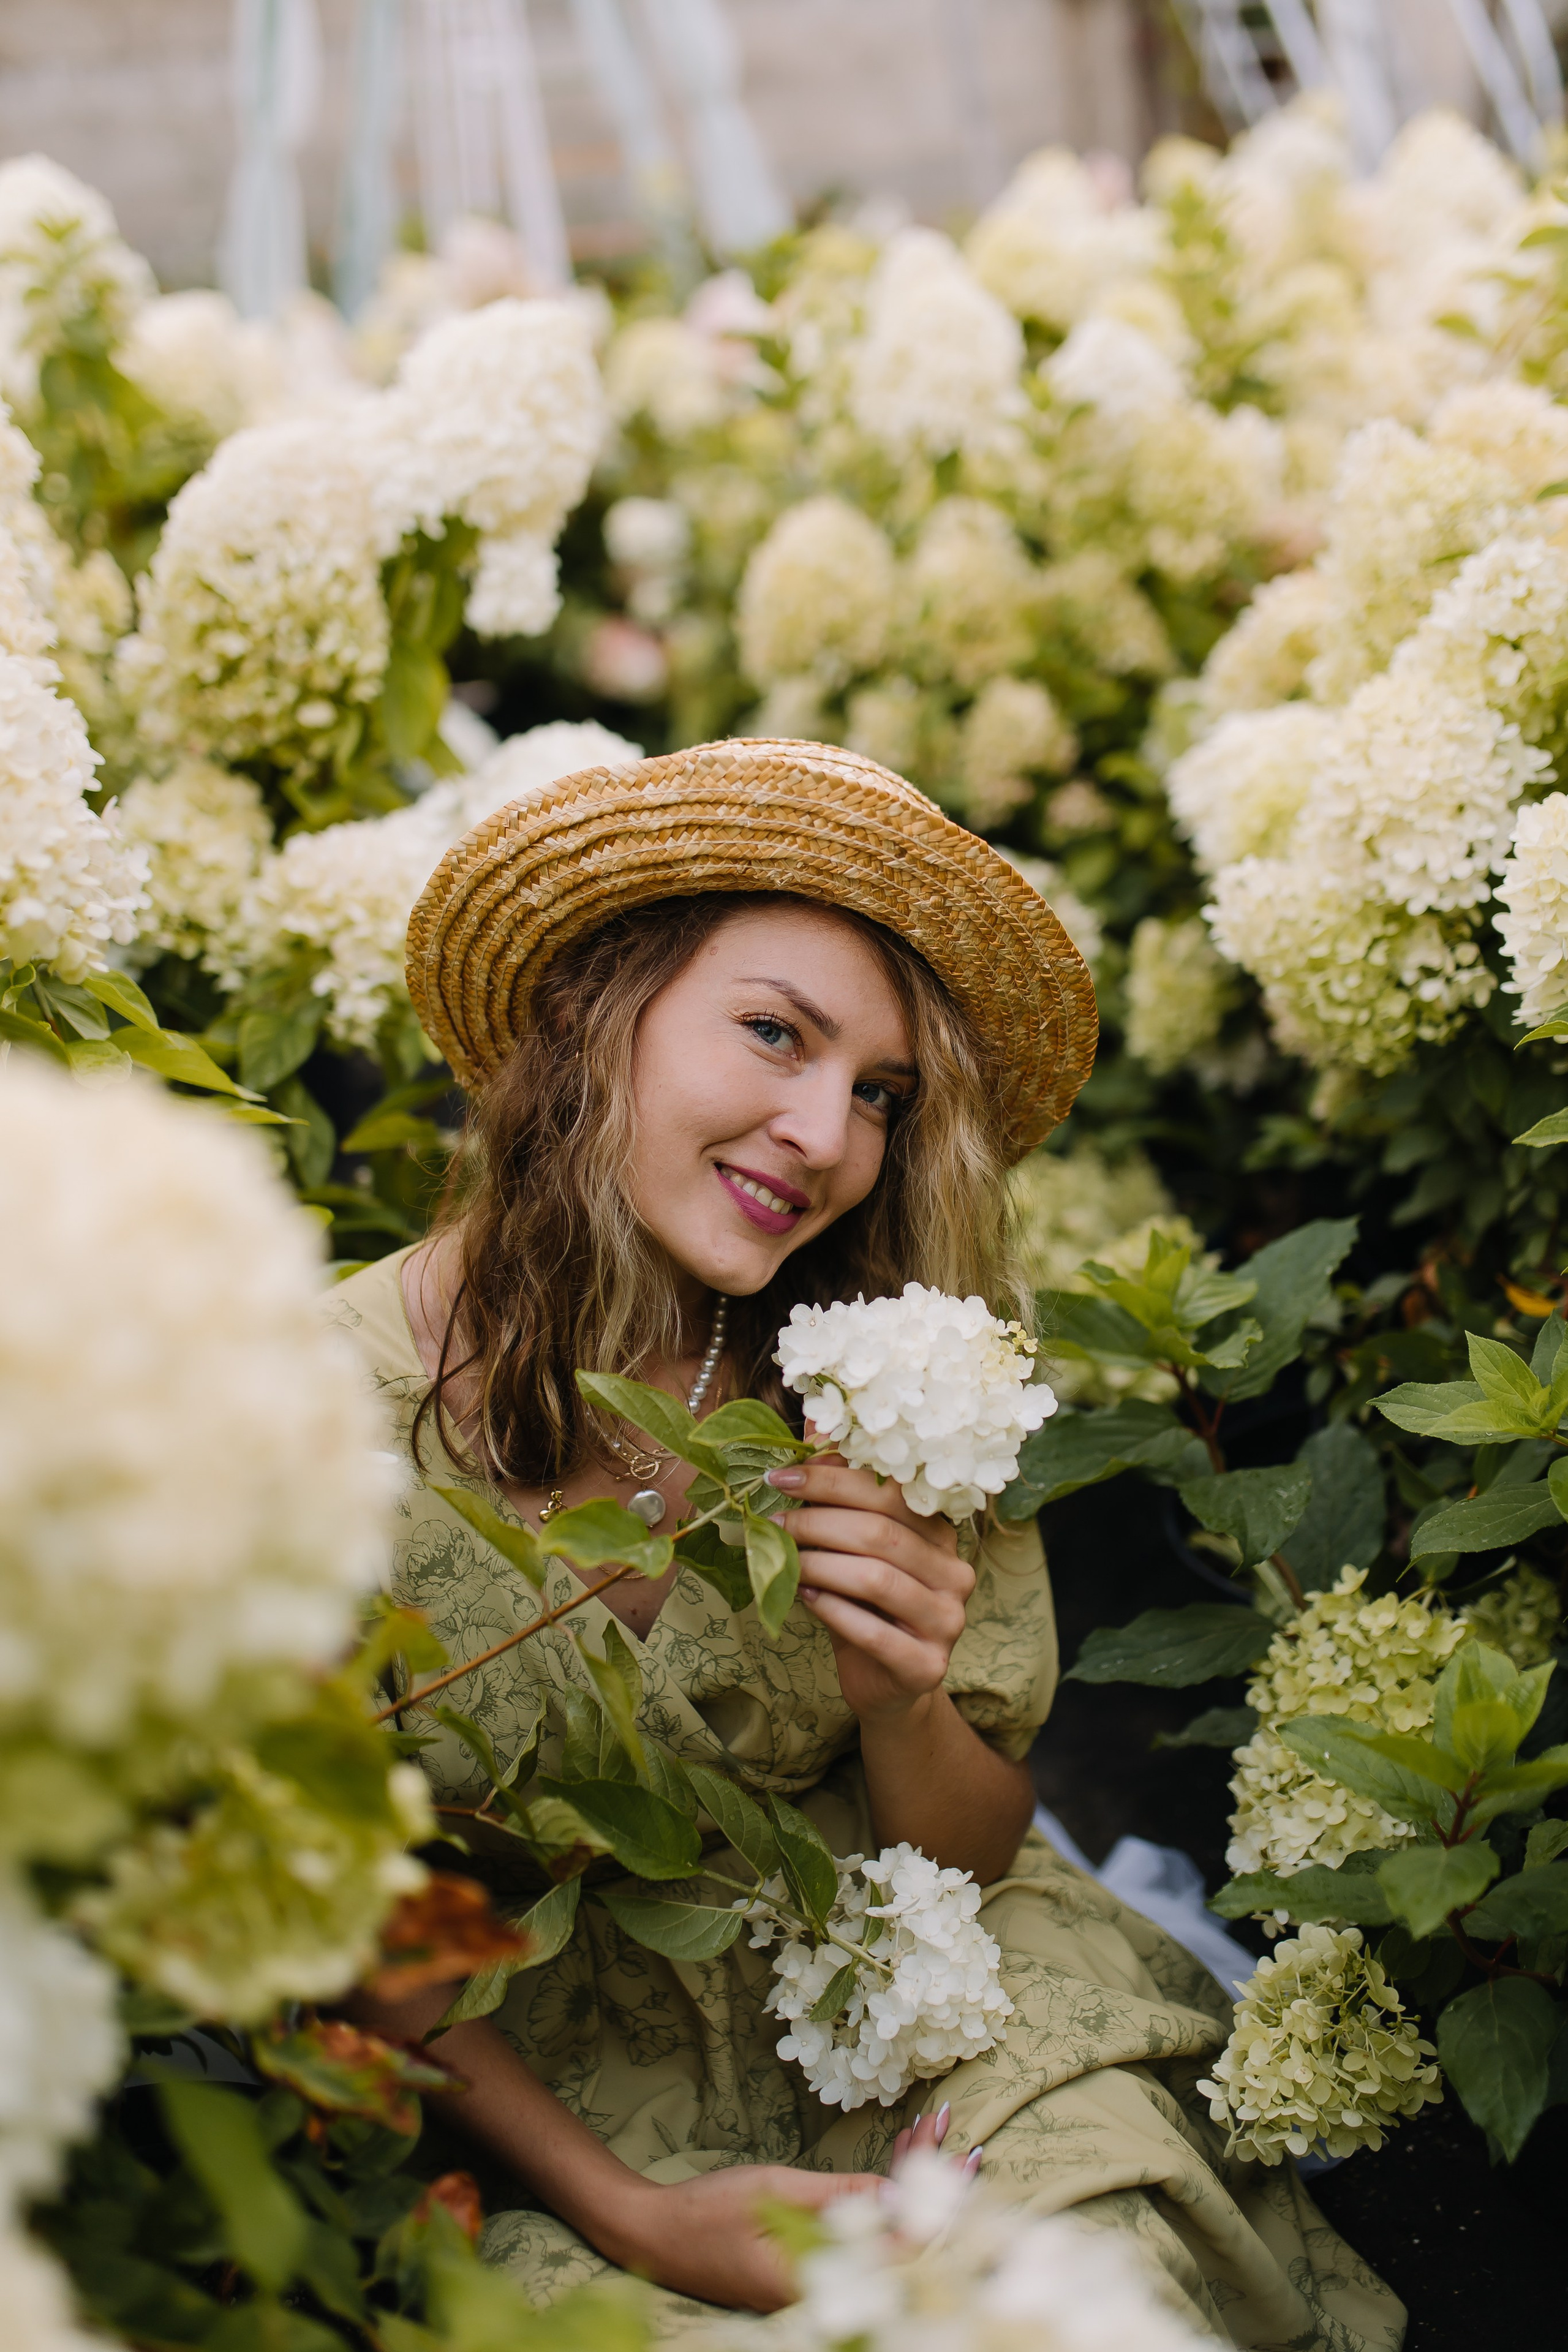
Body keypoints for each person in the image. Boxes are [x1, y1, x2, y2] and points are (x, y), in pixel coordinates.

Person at [330, 739, 1402, 2348]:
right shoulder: (315, 1410)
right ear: (585, 1012)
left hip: (900, 1986)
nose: (828, 1135)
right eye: (775, 1033)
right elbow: (325, 1911)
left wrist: (900, 1699)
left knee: (1080, 2292)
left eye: (882, 1095)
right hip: (521, 2089)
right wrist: (643, 2216)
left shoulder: (877, 1372)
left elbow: (963, 1852)